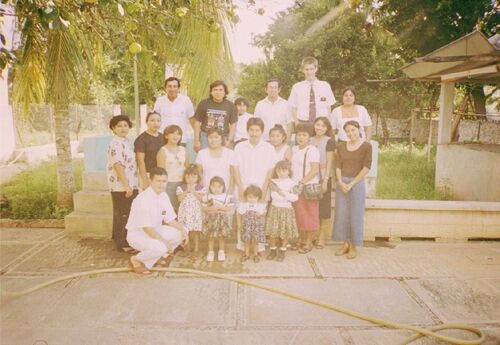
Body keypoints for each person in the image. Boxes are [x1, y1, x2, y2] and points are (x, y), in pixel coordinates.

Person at [126, 167, 188, 274]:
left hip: (156, 230)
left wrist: (184, 231)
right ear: (150, 181)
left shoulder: (163, 195)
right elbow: (147, 229)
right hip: (138, 235)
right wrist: (165, 243)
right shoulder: (142, 199)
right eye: (158, 181)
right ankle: (136, 260)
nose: (161, 184)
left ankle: (155, 257)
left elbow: (171, 220)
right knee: (161, 247)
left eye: (164, 181)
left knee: (181, 232)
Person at [232, 117, 276, 252]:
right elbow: (235, 168)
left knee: (259, 218)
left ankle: (259, 247)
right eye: (251, 130)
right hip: (243, 188)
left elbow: (271, 170)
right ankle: (242, 246)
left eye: (257, 130)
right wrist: (240, 188)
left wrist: (264, 189)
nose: (254, 133)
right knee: (243, 219)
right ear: (247, 131)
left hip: (261, 190)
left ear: (262, 131)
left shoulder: (269, 148)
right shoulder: (240, 147)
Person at [333, 120, 372, 259]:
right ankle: (345, 244)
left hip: (357, 183)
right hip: (342, 182)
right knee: (342, 214)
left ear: (359, 129)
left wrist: (352, 183)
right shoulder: (341, 146)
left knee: (355, 214)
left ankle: (354, 246)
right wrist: (341, 182)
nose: (351, 133)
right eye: (348, 131)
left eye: (353, 130)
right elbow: (337, 165)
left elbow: (366, 167)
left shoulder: (367, 146)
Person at [106, 115, 139, 253]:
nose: (123, 128)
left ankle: (120, 240)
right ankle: (123, 244)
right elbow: (118, 165)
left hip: (130, 184)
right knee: (123, 214)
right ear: (113, 128)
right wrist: (126, 186)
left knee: (125, 213)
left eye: (125, 125)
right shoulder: (115, 143)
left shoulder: (126, 142)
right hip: (121, 186)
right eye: (119, 126)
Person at [290, 122, 320, 253]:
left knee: (310, 214)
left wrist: (302, 182)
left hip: (308, 187)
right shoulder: (294, 149)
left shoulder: (312, 150)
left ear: (309, 137)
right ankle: (300, 240)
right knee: (299, 215)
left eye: (304, 135)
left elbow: (314, 170)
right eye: (298, 135)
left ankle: (308, 243)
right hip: (295, 187)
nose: (300, 137)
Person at [265, 160, 299, 261]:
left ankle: (283, 250)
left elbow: (294, 198)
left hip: (286, 210)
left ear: (288, 171)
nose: (281, 173)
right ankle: (273, 250)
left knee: (285, 232)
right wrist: (283, 195)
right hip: (275, 209)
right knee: (273, 232)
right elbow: (274, 195)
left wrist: (284, 194)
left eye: (284, 170)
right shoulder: (274, 182)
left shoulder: (292, 183)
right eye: (278, 170)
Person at [311, 117, 336, 249]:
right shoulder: (310, 140)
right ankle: (313, 234)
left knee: (323, 208)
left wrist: (325, 180)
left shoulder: (329, 141)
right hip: (311, 178)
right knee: (312, 206)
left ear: (327, 128)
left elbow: (330, 162)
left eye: (323, 126)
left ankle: (321, 236)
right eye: (317, 125)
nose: (319, 128)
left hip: (324, 177)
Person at [288, 56, 335, 125]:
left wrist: (327, 122)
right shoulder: (297, 87)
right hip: (303, 122)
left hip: (321, 123)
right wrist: (297, 123)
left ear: (316, 69)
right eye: (306, 69)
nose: (309, 72)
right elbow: (293, 108)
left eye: (311, 69)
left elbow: (328, 106)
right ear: (303, 70)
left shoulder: (325, 86)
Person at [193, 80, 237, 151]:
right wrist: (197, 140)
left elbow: (233, 124)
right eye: (215, 90)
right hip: (206, 137)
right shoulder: (204, 103)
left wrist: (229, 140)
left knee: (222, 160)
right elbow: (197, 122)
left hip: (223, 137)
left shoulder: (231, 105)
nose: (218, 92)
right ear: (211, 92)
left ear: (225, 92)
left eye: (221, 90)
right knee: (205, 159)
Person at [153, 77, 195, 145]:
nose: (172, 89)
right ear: (165, 88)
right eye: (169, 86)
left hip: (180, 140)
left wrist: (197, 137)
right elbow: (154, 120)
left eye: (174, 86)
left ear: (178, 88)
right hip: (163, 139)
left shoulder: (186, 100)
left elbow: (192, 119)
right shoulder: (159, 101)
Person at [157, 125, 189, 211]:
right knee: (167, 210)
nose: (176, 136)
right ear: (166, 136)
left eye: (178, 134)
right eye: (172, 133)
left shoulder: (183, 150)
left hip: (182, 184)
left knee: (182, 210)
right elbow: (161, 173)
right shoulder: (162, 151)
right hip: (168, 185)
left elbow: (188, 168)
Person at [176, 165, 205, 258]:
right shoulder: (181, 187)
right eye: (188, 177)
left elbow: (202, 199)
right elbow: (179, 199)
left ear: (198, 177)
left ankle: (196, 249)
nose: (191, 179)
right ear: (184, 177)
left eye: (193, 176)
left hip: (196, 213)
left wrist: (193, 191)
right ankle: (186, 248)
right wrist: (186, 191)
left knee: (196, 231)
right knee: (185, 231)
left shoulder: (200, 187)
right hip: (185, 213)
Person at [202, 176, 234, 262]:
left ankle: (221, 251)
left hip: (221, 220)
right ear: (210, 187)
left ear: (223, 187)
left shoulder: (226, 196)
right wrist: (212, 208)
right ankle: (211, 252)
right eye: (214, 186)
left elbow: (229, 208)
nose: (216, 189)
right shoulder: (207, 196)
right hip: (211, 220)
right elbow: (204, 208)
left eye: (219, 186)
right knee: (210, 237)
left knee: (221, 237)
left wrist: (220, 207)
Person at [195, 127, 234, 192]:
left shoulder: (230, 153)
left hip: (226, 193)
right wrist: (201, 192)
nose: (213, 140)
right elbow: (199, 175)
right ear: (207, 139)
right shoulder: (201, 154)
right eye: (210, 137)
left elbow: (233, 175)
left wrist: (229, 191)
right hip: (207, 192)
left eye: (216, 137)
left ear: (221, 139)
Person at [134, 111, 165, 189]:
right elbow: (140, 161)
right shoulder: (141, 139)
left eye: (158, 120)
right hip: (148, 174)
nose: (156, 123)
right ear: (147, 122)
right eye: (152, 120)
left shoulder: (163, 137)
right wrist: (145, 181)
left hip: (161, 175)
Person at [238, 185, 267, 263]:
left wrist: (260, 214)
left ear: (258, 198)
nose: (252, 199)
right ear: (246, 197)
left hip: (256, 226)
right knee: (246, 241)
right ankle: (246, 254)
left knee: (255, 241)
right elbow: (240, 214)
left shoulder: (260, 205)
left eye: (255, 197)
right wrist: (240, 224)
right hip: (247, 226)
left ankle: (255, 255)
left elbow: (263, 214)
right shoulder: (244, 205)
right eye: (250, 197)